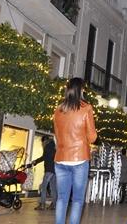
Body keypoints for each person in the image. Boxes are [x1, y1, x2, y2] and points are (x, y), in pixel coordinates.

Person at [53, 78, 97, 224]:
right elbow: (92, 138)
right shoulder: (86, 108)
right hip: (79, 159)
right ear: (81, 90)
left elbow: (57, 136)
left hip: (60, 159)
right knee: (77, 200)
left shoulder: (58, 110)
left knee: (61, 198)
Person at [30, 135, 57, 210]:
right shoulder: (54, 146)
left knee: (43, 187)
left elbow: (44, 157)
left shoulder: (47, 146)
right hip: (55, 170)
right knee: (53, 188)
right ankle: (54, 204)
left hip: (49, 170)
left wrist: (35, 161)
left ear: (44, 141)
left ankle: (42, 204)